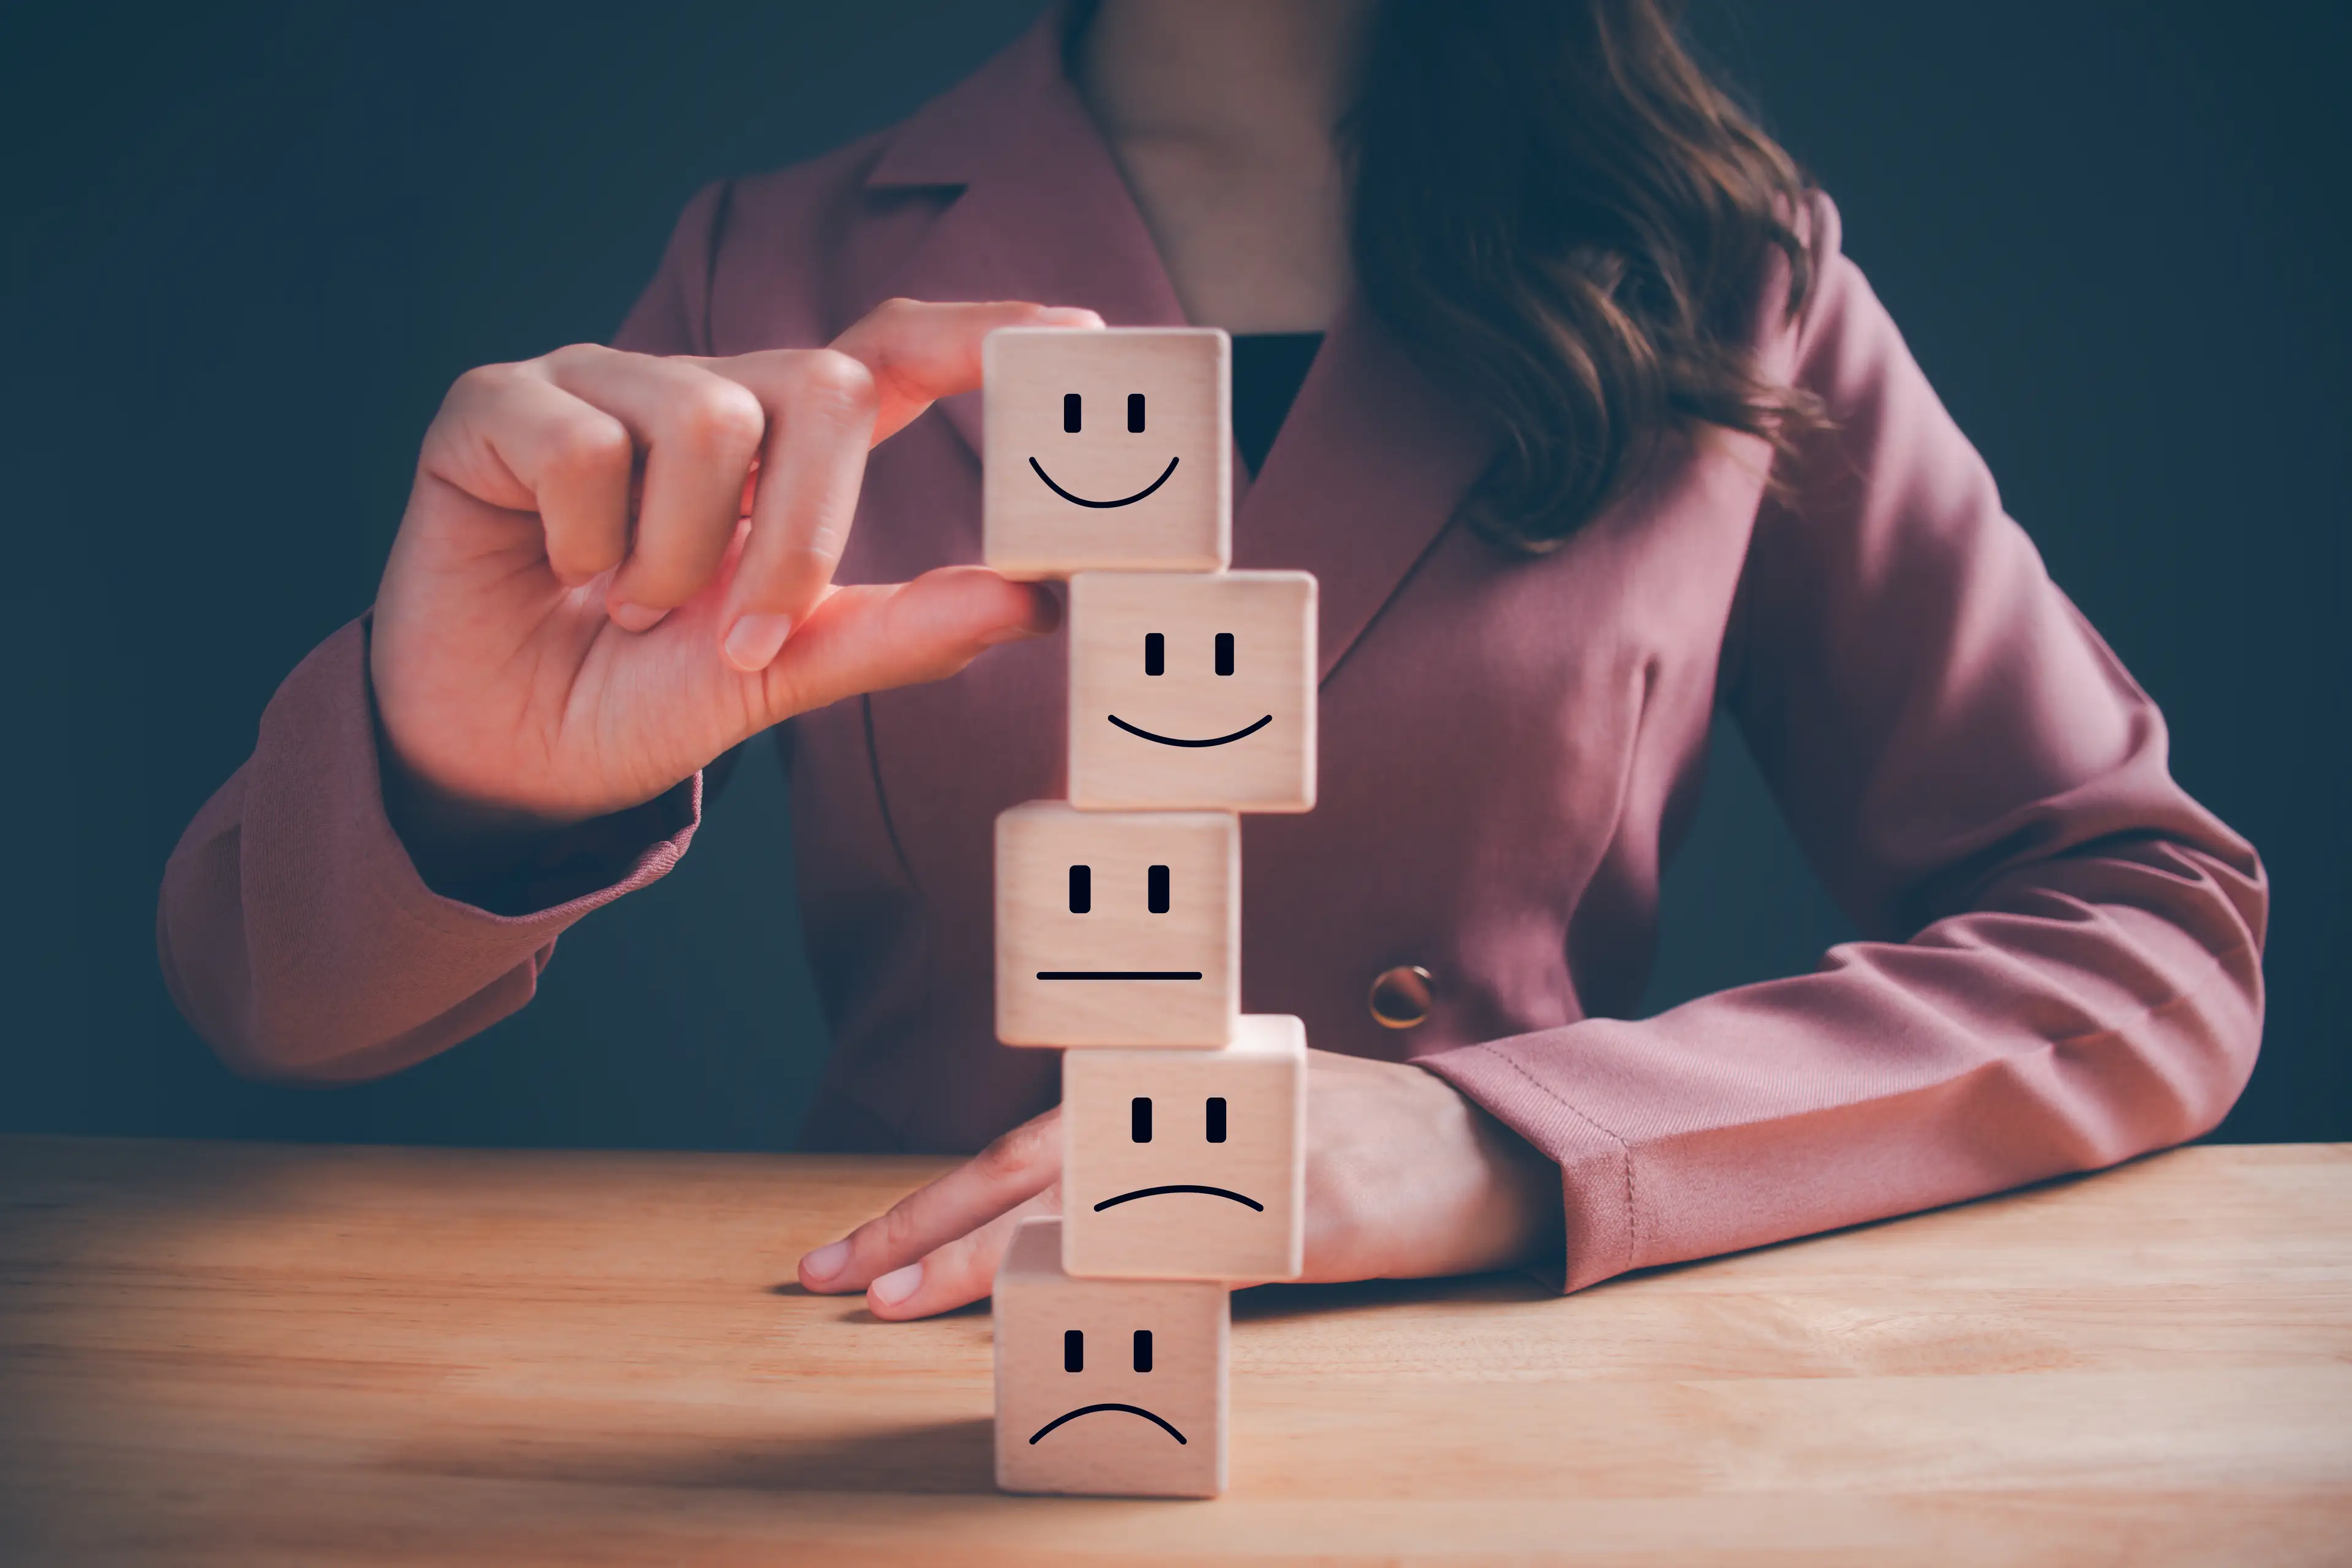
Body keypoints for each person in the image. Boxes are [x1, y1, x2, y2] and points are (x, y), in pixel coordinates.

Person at [157, 0, 2266, 1320]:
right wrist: (462, 780)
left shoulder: (1735, 274)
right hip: (883, 1404)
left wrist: (1504, 1138)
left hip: (1539, 1429)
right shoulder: (779, 260)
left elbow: (2152, 934)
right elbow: (276, 1005)